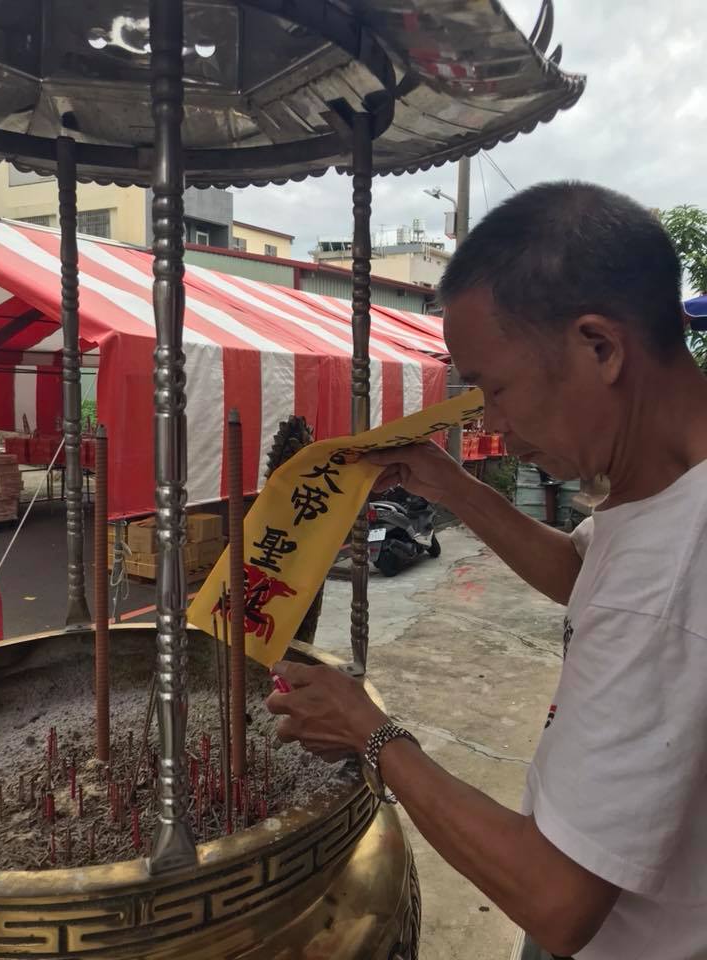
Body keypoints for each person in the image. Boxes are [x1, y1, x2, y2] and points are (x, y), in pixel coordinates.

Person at [266, 181, 707, 960]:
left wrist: (371, 733)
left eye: (496, 389)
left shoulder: (674, 577)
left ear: (599, 347)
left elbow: (557, 898)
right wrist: (452, 487)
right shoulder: (667, 489)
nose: (492, 424)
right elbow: (583, 572)